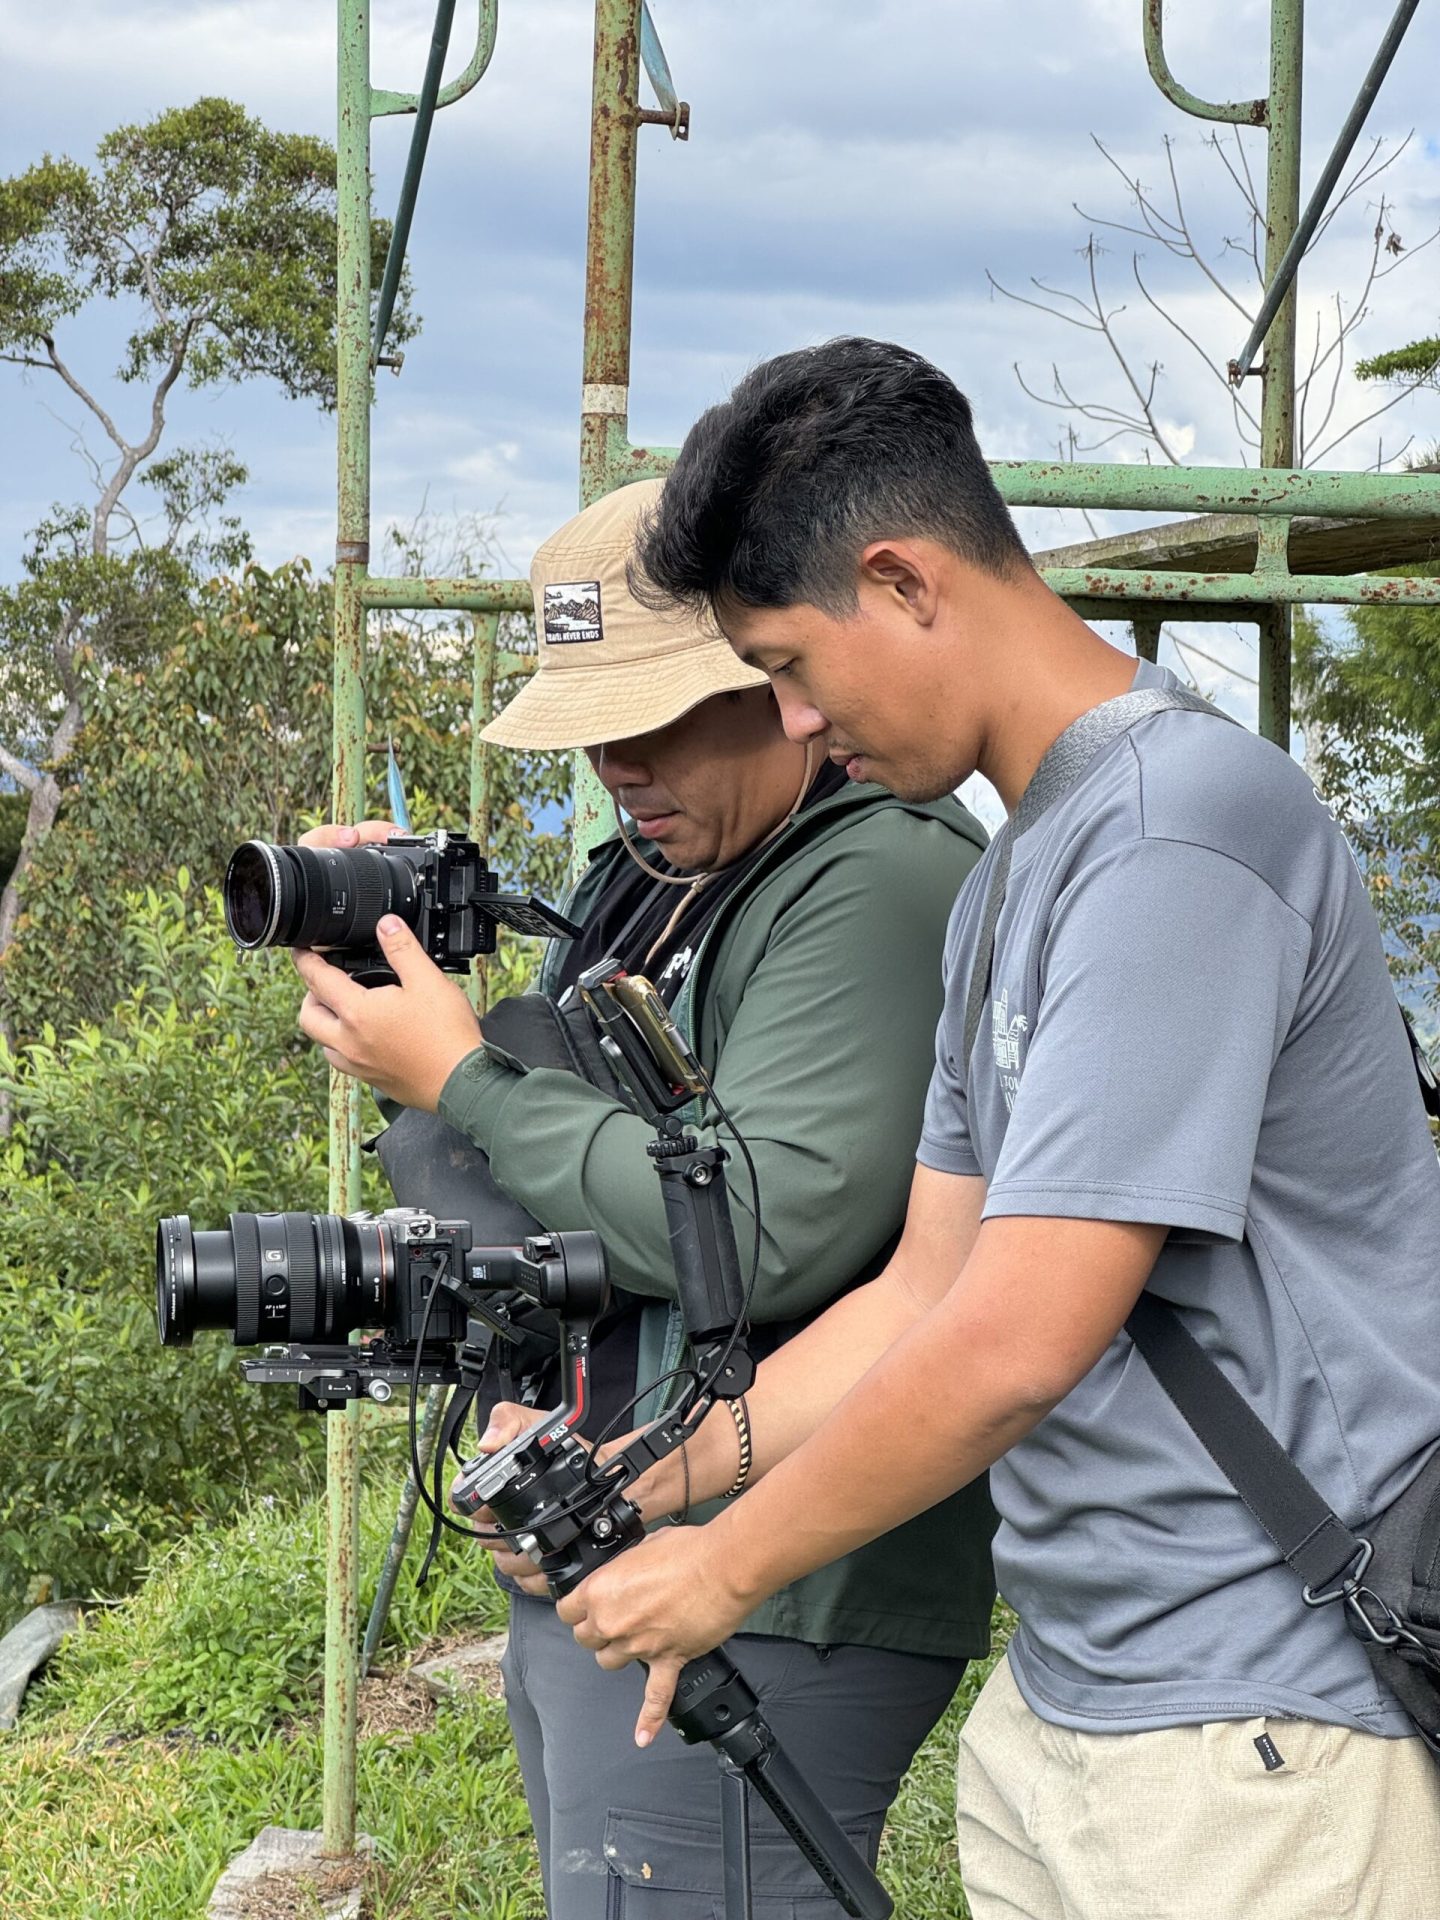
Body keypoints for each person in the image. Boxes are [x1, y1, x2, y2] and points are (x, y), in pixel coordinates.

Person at [543, 339, 1440, 1919]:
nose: (800, 727)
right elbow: (922, 1293)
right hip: (1073, 1707)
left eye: (792, 669)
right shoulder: (1019, 869)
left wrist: (724, 1571)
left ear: (902, 580)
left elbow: (1020, 1337)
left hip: (1254, 1730)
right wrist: (645, 1486)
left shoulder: (1182, 835)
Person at [291, 476, 996, 1917]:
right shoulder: (654, 876)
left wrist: (465, 1078)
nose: (619, 765)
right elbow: (556, 1197)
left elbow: (761, 1227)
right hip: (614, 1537)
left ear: (779, 677)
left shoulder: (875, 878)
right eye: (593, 730)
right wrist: (405, 1010)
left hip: (772, 1588)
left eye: (655, 717)